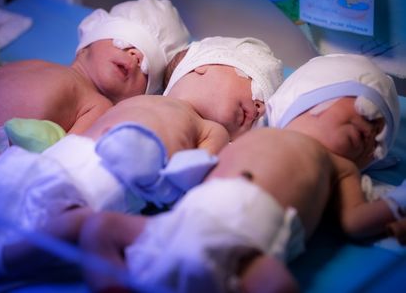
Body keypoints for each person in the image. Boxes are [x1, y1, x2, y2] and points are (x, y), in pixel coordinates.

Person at [0, 36, 283, 290]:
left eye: (262, 107)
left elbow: (195, 175)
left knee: (78, 229)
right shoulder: (114, 102)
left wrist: (159, 174)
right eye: (253, 88)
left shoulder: (209, 130)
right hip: (52, 164)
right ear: (202, 68)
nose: (258, 108)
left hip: (91, 191)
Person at [77, 54, 404, 292]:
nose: (371, 132)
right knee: (98, 227)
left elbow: (354, 222)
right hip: (187, 219)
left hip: (247, 251)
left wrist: (397, 203)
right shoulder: (245, 133)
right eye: (364, 112)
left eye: (378, 139)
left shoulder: (340, 168)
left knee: (278, 285)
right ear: (310, 97)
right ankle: (111, 283)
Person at [0, 0, 191, 185]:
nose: (135, 57)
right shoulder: (43, 65)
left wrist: (47, 143)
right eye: (124, 43)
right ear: (89, 42)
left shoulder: (97, 104)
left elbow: (68, 150)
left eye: (145, 68)